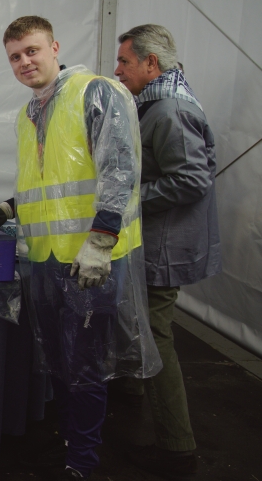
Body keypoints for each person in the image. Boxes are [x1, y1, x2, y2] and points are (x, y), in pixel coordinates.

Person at [0, 16, 161, 479]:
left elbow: (119, 171)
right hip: (43, 257)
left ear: (54, 47)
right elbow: (54, 184)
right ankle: (70, 443)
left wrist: (100, 242)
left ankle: (83, 462)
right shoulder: (29, 113)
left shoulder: (96, 92)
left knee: (85, 365)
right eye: (15, 56)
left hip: (88, 261)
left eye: (32, 50)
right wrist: (10, 207)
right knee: (58, 361)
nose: (24, 62)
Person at [114, 23, 220, 479]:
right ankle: (134, 392)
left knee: (157, 336)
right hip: (156, 239)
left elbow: (192, 179)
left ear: (151, 63)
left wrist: (129, 202)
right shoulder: (156, 103)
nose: (117, 71)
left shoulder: (170, 109)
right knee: (142, 325)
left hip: (164, 243)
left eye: (124, 62)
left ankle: (177, 448)